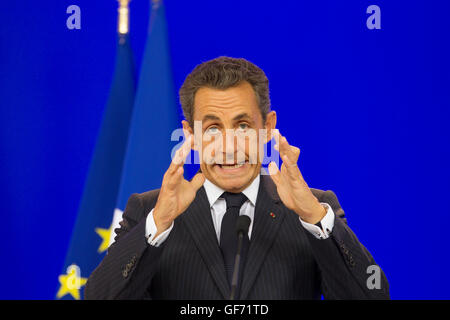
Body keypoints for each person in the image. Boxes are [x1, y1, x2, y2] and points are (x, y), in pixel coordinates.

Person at [85, 56, 389, 300]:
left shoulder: (315, 208)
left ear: (268, 127)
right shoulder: (149, 210)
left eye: (243, 126)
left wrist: (315, 218)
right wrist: (158, 224)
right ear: (190, 135)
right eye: (213, 129)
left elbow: (373, 295)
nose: (229, 147)